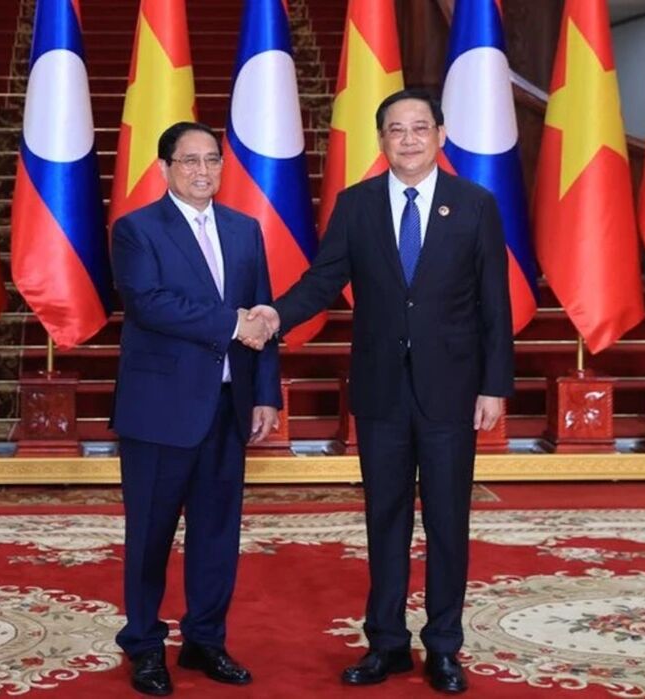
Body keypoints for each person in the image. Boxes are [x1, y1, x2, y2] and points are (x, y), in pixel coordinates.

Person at [248, 89, 514, 694]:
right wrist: (275, 315)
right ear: (382, 140)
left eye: (420, 127)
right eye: (397, 129)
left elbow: (494, 303)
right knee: (384, 519)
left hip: (451, 391)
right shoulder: (357, 204)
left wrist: (494, 385)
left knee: (447, 521)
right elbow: (323, 281)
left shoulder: (475, 204)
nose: (409, 139)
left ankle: (443, 647)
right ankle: (387, 644)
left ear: (441, 135)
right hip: (381, 392)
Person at [111, 121, 280, 696]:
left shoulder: (244, 229)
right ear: (165, 168)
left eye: (212, 159)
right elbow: (150, 303)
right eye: (189, 160)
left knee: (216, 534)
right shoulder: (136, 229)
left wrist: (265, 393)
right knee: (150, 536)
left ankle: (205, 640)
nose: (202, 171)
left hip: (228, 407)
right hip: (160, 410)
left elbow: (262, 315)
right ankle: (144, 645)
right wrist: (233, 323)